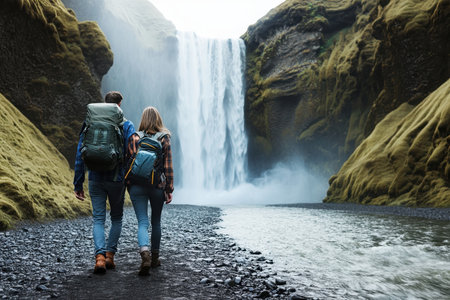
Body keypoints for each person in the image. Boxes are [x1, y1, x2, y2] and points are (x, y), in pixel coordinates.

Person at [73, 91, 135, 274]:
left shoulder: (90, 123)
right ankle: (110, 256)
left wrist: (78, 183)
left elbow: (80, 154)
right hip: (117, 179)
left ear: (104, 103)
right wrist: (129, 179)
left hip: (95, 178)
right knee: (117, 218)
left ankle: (99, 258)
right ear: (119, 105)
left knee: (98, 219)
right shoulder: (126, 124)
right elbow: (132, 153)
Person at [127, 106, 174, 276]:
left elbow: (130, 162)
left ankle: (144, 253)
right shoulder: (164, 138)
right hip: (156, 186)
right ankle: (154, 259)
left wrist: (128, 184)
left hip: (137, 185)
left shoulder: (135, 137)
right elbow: (168, 167)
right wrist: (169, 189)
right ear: (158, 119)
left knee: (142, 222)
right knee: (156, 222)